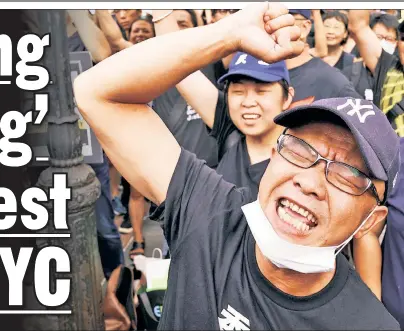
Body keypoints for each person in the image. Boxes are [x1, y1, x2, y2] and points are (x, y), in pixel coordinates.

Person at [75, 3, 400, 329]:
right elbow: (95, 92)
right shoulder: (209, 212)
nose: (309, 182)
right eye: (302, 150)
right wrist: (227, 34)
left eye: (346, 174)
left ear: (369, 221)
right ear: (276, 155)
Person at [285, 9, 360, 103]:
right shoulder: (264, 70)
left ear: (305, 27)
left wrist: (316, 13)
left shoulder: (334, 80)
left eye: (285, 22)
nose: (330, 31)